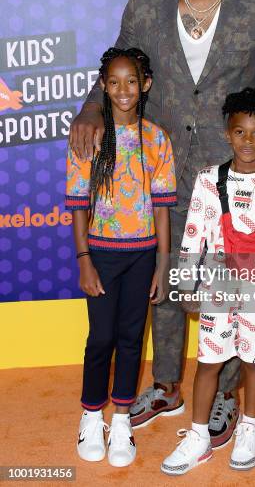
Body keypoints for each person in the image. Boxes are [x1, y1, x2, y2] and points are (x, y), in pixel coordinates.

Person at [69, 0, 255, 448]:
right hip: (158, 169)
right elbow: (119, 64)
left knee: (229, 287)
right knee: (167, 281)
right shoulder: (145, 2)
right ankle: (168, 384)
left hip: (232, 181)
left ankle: (224, 393)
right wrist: (88, 106)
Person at [161, 86, 255, 475]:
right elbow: (193, 235)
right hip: (217, 286)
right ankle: (199, 436)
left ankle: (249, 427)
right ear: (227, 132)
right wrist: (186, 284)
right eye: (240, 132)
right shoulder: (209, 180)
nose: (248, 141)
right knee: (208, 362)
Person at [65, 47, 177, 467]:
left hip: (143, 255)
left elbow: (163, 205)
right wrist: (84, 258)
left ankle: (122, 419)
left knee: (132, 339)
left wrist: (163, 264)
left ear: (145, 84)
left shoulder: (156, 138)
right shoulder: (89, 135)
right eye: (114, 82)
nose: (124, 90)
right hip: (103, 256)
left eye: (132, 81)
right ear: (103, 87)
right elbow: (78, 203)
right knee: (101, 340)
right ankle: (91, 415)